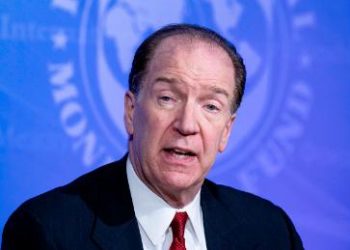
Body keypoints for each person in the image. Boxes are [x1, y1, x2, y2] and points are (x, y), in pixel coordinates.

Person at [2, 24, 304, 250]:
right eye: (167, 98)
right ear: (131, 111)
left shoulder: (271, 232)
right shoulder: (47, 230)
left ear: (226, 131)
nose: (187, 125)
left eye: (211, 106)